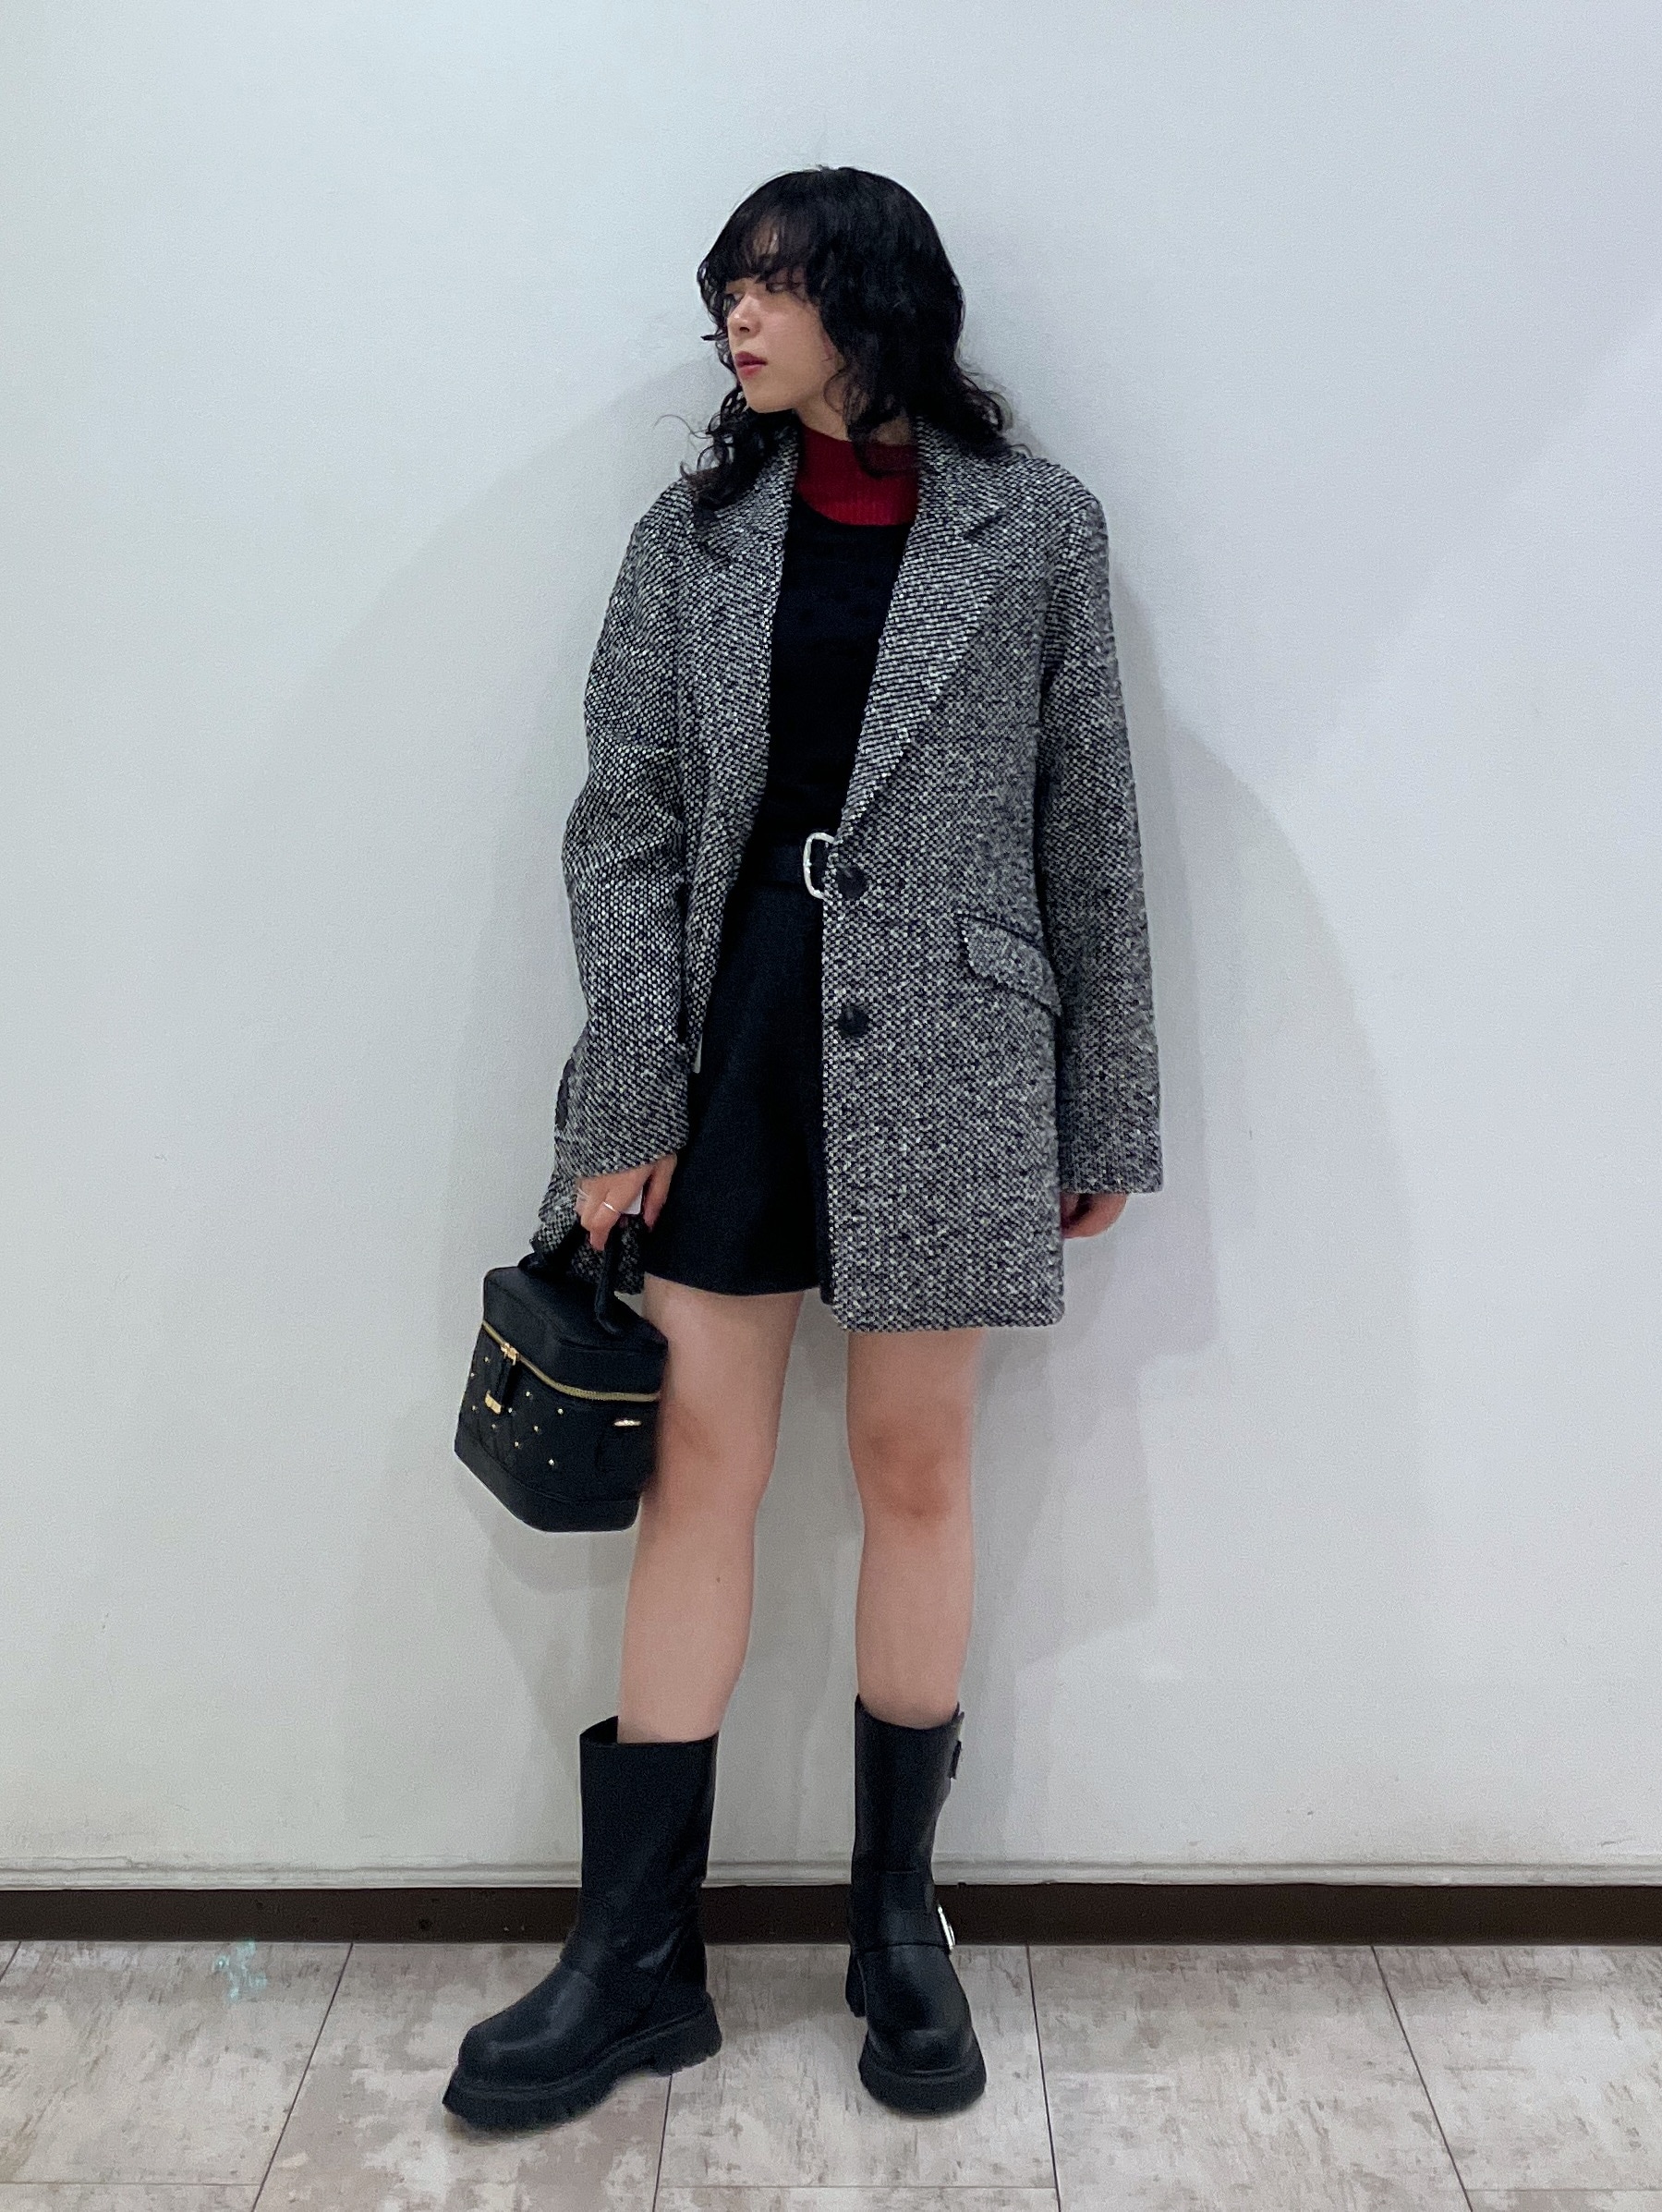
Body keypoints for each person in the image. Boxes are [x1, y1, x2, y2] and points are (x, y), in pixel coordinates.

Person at [443, 164, 1162, 2134]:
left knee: (917, 1469)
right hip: (736, 1027)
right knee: (700, 1474)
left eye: (770, 287)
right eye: (726, 295)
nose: (737, 323)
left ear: (873, 300)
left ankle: (896, 1924)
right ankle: (634, 1959)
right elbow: (625, 826)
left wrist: (1105, 1099)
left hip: (958, 1045)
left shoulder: (1035, 529)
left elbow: (1088, 822)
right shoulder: (688, 541)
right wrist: (622, 1103)